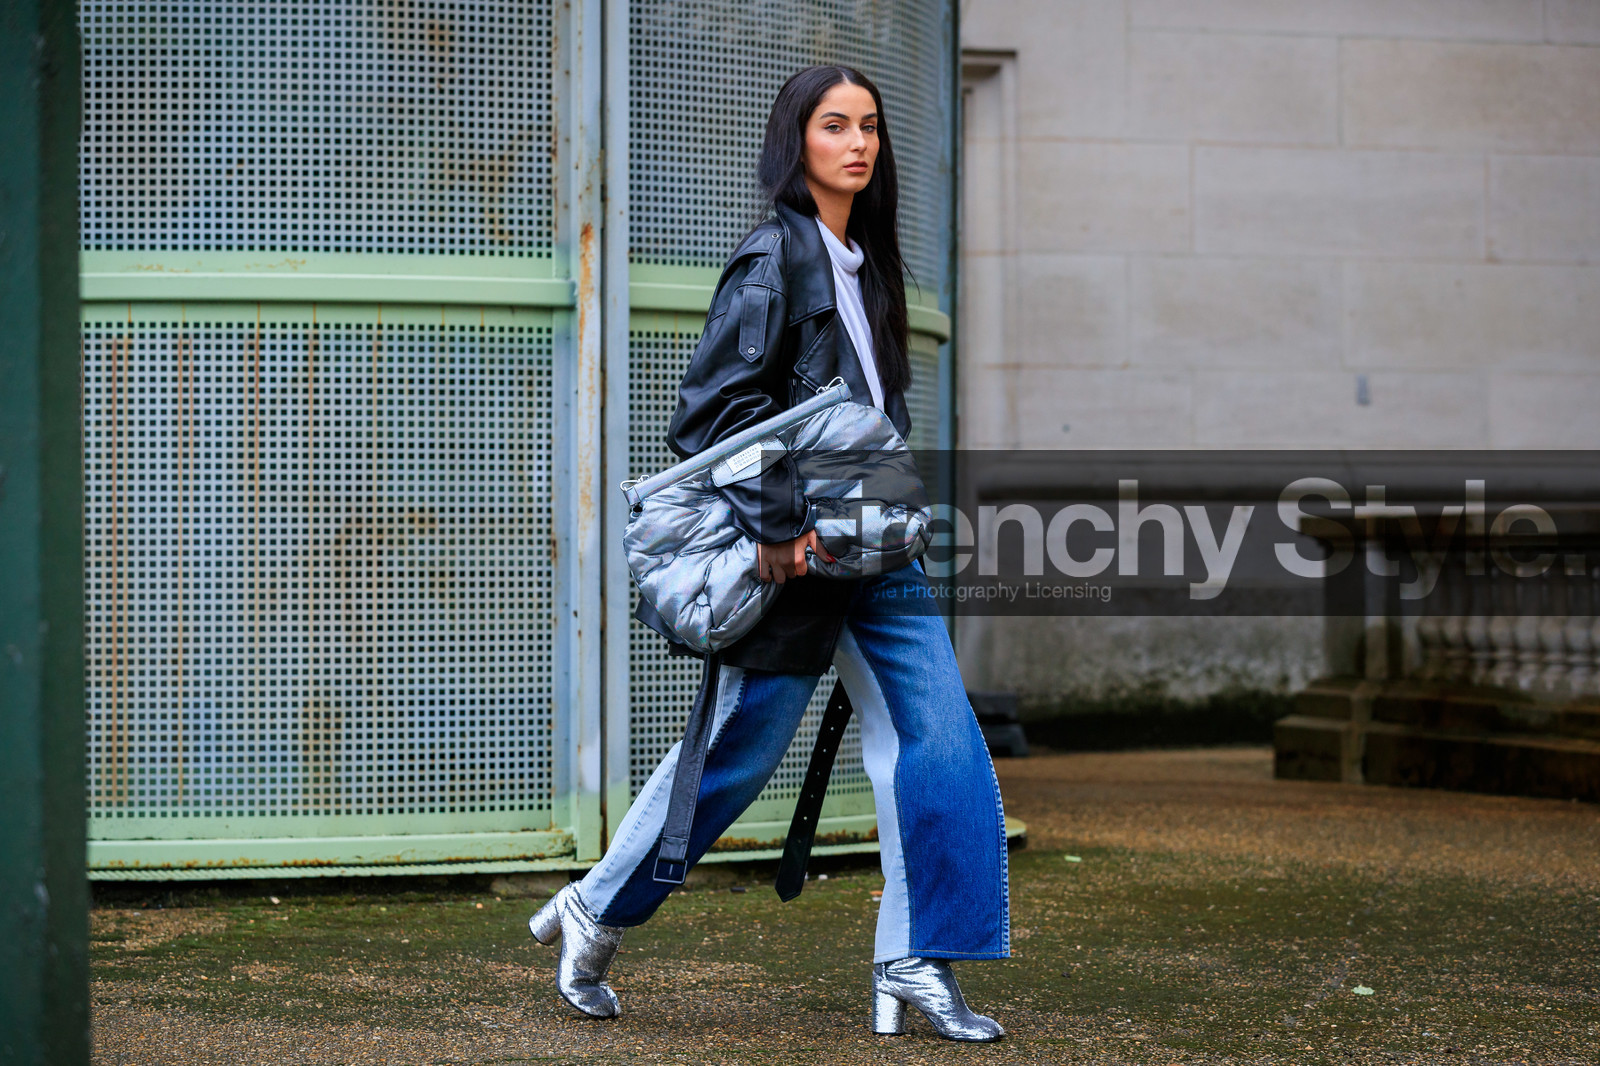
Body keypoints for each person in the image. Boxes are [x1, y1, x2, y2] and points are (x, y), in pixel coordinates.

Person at [529, 64, 1011, 1042]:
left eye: (871, 126)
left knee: (943, 739)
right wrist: (782, 527)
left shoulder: (865, 265)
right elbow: (714, 413)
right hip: (796, 548)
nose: (859, 143)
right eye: (836, 126)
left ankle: (916, 956)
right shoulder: (773, 258)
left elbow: (868, 412)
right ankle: (595, 909)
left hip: (874, 545)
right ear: (796, 141)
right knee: (736, 757)